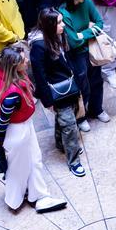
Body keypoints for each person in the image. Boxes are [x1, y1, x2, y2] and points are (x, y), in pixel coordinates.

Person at [0, 42, 67, 212]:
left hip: (22, 126)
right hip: (17, 131)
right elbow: (3, 120)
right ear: (14, 66)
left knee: (33, 160)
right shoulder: (11, 94)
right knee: (20, 168)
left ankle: (37, 196)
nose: (27, 62)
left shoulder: (2, 74)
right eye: (23, 61)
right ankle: (16, 200)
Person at [29, 9, 86, 176]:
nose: (63, 25)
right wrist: (48, 101)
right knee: (70, 125)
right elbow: (39, 75)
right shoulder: (39, 46)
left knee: (65, 120)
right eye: (59, 22)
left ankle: (62, 144)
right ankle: (74, 161)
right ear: (49, 25)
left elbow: (66, 59)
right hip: (57, 91)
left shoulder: (57, 36)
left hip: (68, 85)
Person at [61, 0, 108, 128]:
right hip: (76, 54)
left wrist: (83, 34)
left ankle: (97, 109)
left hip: (92, 48)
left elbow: (99, 23)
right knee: (82, 84)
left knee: (97, 80)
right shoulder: (63, 11)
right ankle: (81, 117)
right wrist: (89, 32)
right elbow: (73, 41)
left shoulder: (86, 2)